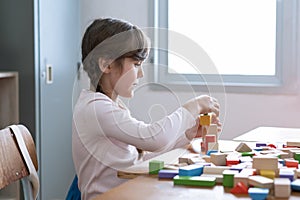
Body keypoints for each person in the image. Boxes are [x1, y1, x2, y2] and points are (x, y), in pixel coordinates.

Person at [72, 17, 221, 200]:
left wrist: (186, 136)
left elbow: (138, 160)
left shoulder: (110, 106)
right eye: (136, 65)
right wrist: (193, 106)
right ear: (107, 64)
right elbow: (154, 138)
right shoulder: (95, 109)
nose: (141, 73)